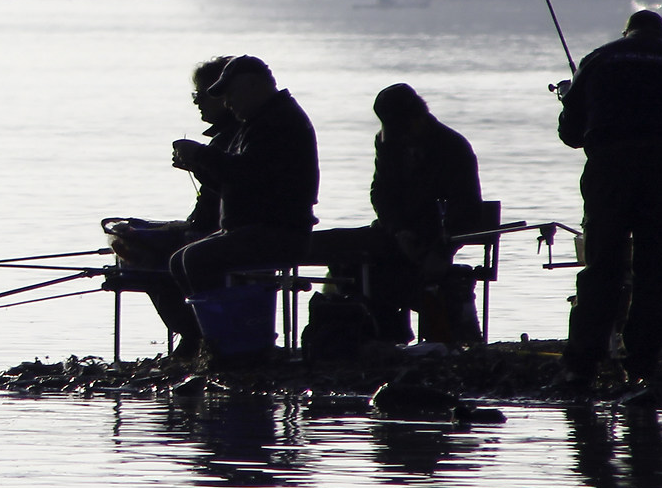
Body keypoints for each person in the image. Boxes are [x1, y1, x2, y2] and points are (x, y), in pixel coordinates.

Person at [556, 9, 662, 390]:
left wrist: (569, 102)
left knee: (601, 268)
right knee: (654, 270)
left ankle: (583, 366)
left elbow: (571, 133)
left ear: (625, 33)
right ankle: (641, 364)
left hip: (608, 170)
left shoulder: (597, 59)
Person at [307, 83, 485, 345]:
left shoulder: (453, 148)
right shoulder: (387, 142)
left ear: (418, 118)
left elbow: (466, 209)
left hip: (434, 240)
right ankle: (375, 332)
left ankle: (391, 332)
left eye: (403, 129)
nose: (400, 137)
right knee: (335, 249)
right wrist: (398, 230)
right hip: (395, 233)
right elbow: (380, 192)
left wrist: (441, 252)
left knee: (385, 271)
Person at [164, 56, 319, 352]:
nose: (227, 102)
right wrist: (198, 165)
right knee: (179, 259)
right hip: (250, 228)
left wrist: (201, 155)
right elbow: (234, 185)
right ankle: (208, 338)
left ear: (253, 86)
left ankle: (230, 344)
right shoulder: (257, 121)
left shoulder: (278, 122)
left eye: (231, 94)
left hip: (278, 231)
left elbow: (247, 175)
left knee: (195, 259)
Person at [102, 56, 235, 347]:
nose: (197, 103)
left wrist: (200, 161)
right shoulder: (227, 138)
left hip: (224, 234)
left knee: (137, 249)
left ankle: (193, 334)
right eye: (195, 96)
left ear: (224, 95)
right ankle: (193, 332)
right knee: (133, 236)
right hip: (211, 228)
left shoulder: (233, 140)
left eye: (201, 95)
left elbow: (231, 193)